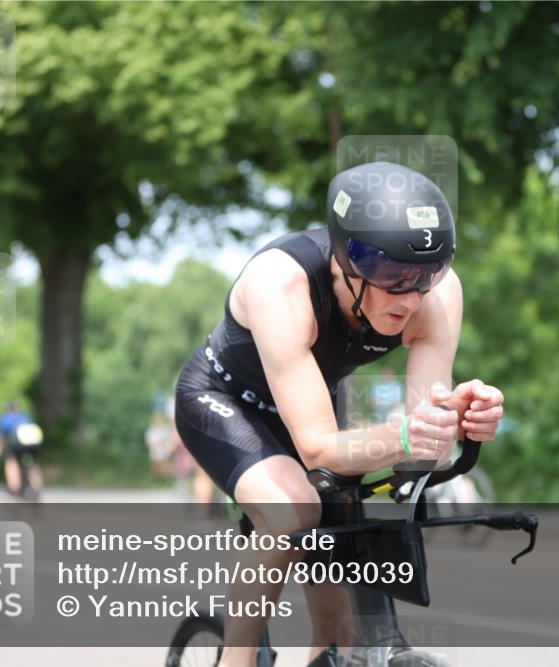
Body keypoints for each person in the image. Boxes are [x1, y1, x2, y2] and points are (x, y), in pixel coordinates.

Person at [174, 161, 505, 667]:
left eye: (428, 274)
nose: (412, 297)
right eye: (393, 276)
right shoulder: (281, 284)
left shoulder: (438, 297)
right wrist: (409, 436)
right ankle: (234, 661)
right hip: (223, 401)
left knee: (341, 630)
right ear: (348, 263)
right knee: (294, 511)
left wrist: (456, 420)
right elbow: (318, 448)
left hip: (310, 402)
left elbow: (424, 444)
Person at [0, 402, 43, 496]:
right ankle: (36, 485)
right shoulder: (26, 416)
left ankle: (14, 487)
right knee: (33, 463)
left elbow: (1, 438)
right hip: (36, 440)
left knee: (11, 461)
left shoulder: (6, 418)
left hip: (19, 440)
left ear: (9, 410)